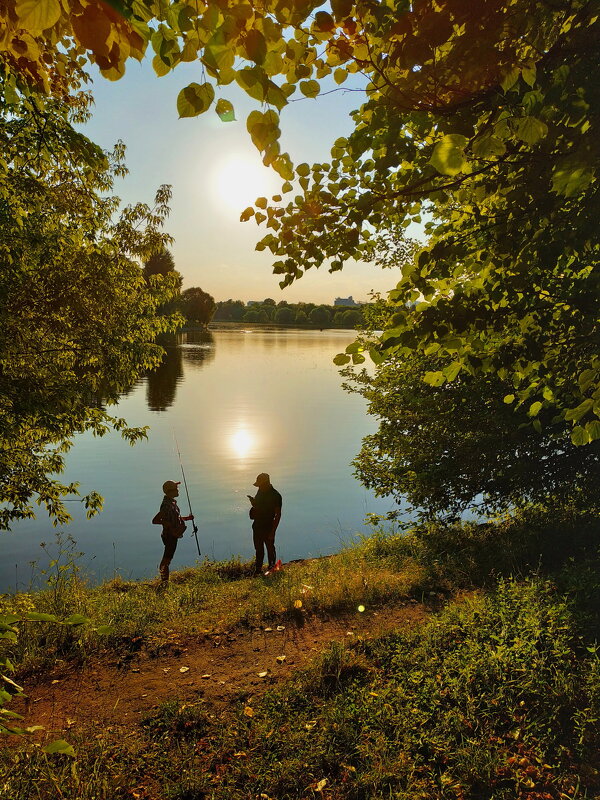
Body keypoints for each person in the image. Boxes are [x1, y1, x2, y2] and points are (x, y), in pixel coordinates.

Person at [156, 479, 194, 587]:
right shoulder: (166, 505)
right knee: (166, 561)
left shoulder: (171, 502)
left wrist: (187, 518)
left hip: (173, 536)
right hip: (170, 536)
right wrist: (170, 527)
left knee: (168, 559)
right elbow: (156, 520)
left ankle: (165, 583)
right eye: (176, 489)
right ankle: (164, 584)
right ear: (170, 491)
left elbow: (174, 518)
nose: (178, 491)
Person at [247, 472, 282, 575]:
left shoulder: (276, 496)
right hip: (257, 526)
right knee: (258, 550)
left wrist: (273, 532)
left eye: (260, 484)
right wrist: (253, 502)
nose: (258, 487)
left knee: (270, 549)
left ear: (266, 483)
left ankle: (272, 568)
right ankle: (258, 570)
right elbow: (258, 505)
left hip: (268, 526)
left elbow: (278, 515)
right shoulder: (260, 492)